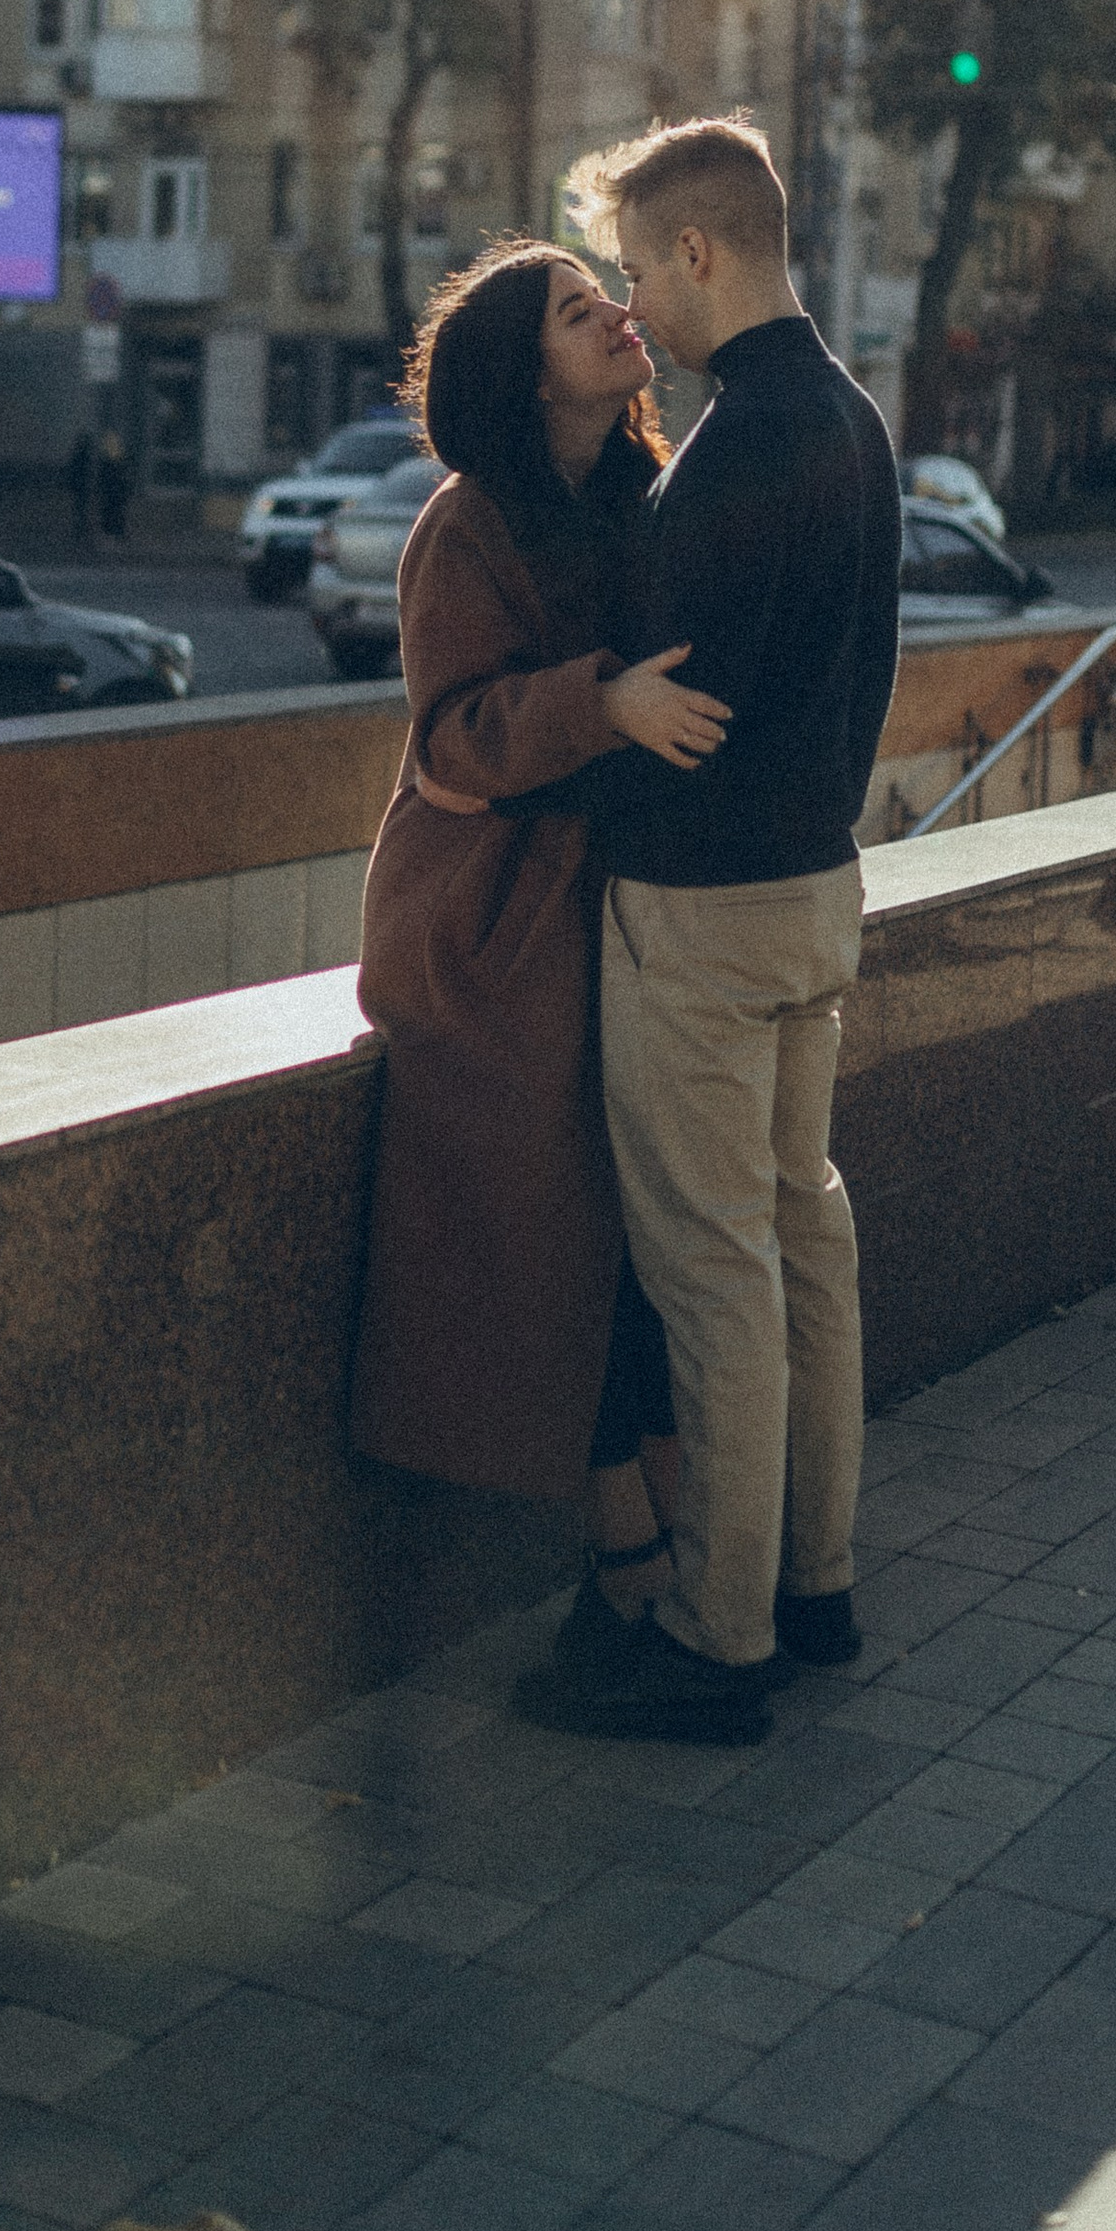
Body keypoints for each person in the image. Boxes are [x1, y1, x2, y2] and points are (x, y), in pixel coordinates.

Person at [525, 116, 902, 1749]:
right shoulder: (852, 422)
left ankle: (714, 1639)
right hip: (817, 887)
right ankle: (813, 1584)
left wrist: (604, 712)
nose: (633, 308)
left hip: (701, 914)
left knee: (716, 1276)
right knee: (802, 1232)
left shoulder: (741, 445)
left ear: (696, 253)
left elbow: (671, 702)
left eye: (633, 270)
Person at [349, 240, 732, 1597]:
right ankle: (632, 1563)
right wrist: (602, 706)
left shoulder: (647, 488)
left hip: (622, 915)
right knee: (550, 1250)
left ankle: (679, 1560)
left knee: (641, 1248)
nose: (620, 317)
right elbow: (453, 740)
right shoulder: (468, 525)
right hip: (492, 938)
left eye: (608, 299)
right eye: (582, 313)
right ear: (530, 375)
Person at [95, 431, 132, 539]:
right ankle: (113, 531)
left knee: (113, 510)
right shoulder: (112, 462)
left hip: (113, 490)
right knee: (114, 510)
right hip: (114, 490)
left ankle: (112, 530)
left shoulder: (109, 461)